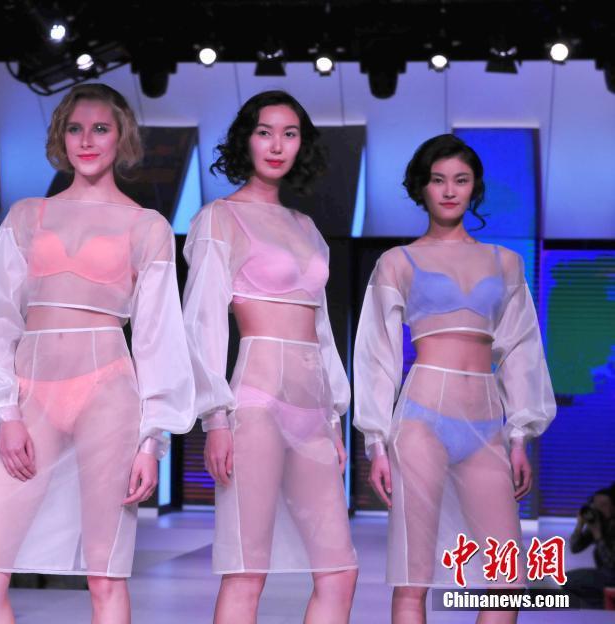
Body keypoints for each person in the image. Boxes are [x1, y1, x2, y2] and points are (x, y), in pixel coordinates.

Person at [0, 83, 195, 624]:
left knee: (105, 573)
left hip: (108, 391)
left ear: (122, 137)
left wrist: (152, 441)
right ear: (60, 137)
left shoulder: (147, 226)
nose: (86, 140)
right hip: (30, 394)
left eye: (100, 128)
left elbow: (158, 336)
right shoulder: (27, 216)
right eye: (75, 128)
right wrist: (6, 412)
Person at [353, 134, 556, 624]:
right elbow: (376, 354)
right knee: (413, 575)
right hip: (421, 418)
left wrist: (520, 436)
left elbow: (522, 349)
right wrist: (375, 442)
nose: (449, 191)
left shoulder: (505, 262)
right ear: (421, 188)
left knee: (507, 580)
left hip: (487, 423)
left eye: (460, 181)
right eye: (438, 180)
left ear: (474, 188)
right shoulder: (397, 261)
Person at [183, 90, 357, 624]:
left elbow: (322, 329)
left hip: (314, 411)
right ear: (246, 140)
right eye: (265, 132)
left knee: (340, 572)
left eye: (289, 134)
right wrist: (215, 420)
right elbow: (202, 323)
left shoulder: (306, 228)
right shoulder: (220, 218)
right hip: (255, 405)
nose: (277, 145)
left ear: (302, 144)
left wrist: (333, 419)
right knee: (246, 569)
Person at [565, 484, 615, 608]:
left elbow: (611, 563)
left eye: (603, 505)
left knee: (569, 580)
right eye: (595, 505)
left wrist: (598, 535)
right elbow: (575, 548)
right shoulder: (601, 523)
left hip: (611, 575)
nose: (598, 509)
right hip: (606, 575)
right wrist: (580, 525)